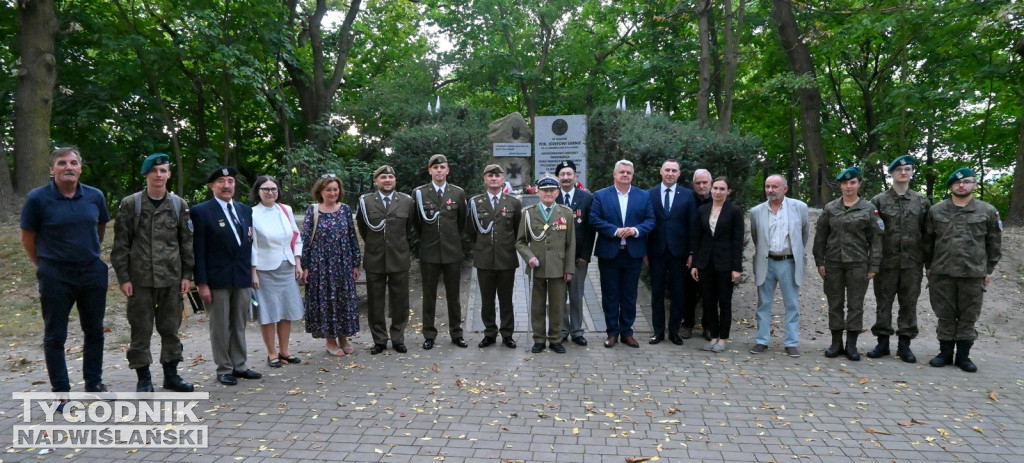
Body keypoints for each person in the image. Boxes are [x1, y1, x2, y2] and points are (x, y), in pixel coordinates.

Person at [20, 147, 110, 395]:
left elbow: (100, 228)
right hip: (55, 275)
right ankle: (61, 391)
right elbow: (28, 237)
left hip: (92, 272)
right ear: (52, 169)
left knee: (94, 330)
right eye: (62, 163)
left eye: (73, 163)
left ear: (80, 168)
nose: (68, 167)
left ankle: (94, 383)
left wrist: (90, 254)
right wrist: (45, 265)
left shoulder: (95, 196)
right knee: (55, 335)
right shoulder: (37, 199)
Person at [111, 153, 195, 392]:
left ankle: (171, 376)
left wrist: (187, 275)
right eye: (154, 170)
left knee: (171, 330)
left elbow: (186, 243)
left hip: (171, 280)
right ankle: (143, 378)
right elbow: (121, 246)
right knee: (141, 331)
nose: (159, 175)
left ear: (169, 174)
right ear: (146, 174)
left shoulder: (179, 205)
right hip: (140, 282)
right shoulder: (131, 204)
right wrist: (124, 278)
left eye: (164, 170)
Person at [923, 167, 1002, 372]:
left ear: (974, 184)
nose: (961, 185)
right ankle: (945, 353)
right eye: (957, 182)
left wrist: (989, 269)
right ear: (951, 186)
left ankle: (964, 356)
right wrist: (929, 266)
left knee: (969, 316)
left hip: (973, 273)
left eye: (966, 181)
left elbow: (994, 243)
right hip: (942, 272)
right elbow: (927, 242)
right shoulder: (937, 210)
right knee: (945, 314)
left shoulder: (987, 211)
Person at [191, 166, 262, 386]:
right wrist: (202, 283)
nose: (226, 185)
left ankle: (240, 365)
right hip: (216, 279)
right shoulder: (201, 211)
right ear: (212, 186)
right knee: (220, 325)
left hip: (241, 277)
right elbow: (198, 250)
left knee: (239, 323)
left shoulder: (244, 210)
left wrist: (252, 272)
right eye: (221, 181)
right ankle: (224, 368)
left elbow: (248, 244)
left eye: (230, 180)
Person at [812, 166, 882, 361]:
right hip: (833, 263)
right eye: (845, 183)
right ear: (840, 185)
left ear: (859, 184)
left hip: (858, 264)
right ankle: (836, 343)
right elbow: (821, 237)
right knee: (834, 303)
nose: (848, 186)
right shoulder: (830, 208)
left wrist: (874, 266)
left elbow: (876, 240)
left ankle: (851, 345)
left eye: (852, 182)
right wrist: (820, 261)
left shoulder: (868, 209)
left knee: (855, 304)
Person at [866, 155, 930, 363]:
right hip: (887, 263)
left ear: (912, 172)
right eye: (899, 169)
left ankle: (905, 344)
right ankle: (882, 343)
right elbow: (874, 234)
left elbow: (928, 235)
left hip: (912, 263)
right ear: (891, 173)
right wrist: (874, 261)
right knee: (883, 303)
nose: (903, 172)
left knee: (909, 303)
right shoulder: (879, 201)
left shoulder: (921, 202)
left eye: (908, 169)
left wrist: (928, 263)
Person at [589, 160, 656, 348]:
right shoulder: (601, 195)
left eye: (628, 172)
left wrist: (635, 230)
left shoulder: (643, 196)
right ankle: (612, 333)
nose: (625, 175)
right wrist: (615, 231)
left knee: (629, 295)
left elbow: (651, 220)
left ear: (632, 175)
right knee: (610, 295)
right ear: (614, 174)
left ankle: (627, 331)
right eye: (622, 172)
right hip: (610, 253)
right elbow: (594, 219)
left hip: (633, 254)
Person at [356, 165, 415, 355]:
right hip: (375, 258)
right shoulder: (366, 202)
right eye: (383, 177)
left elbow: (408, 228)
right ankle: (379, 339)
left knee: (400, 301)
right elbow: (364, 229)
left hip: (399, 257)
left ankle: (398, 338)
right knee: (376, 302)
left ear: (395, 180)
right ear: (376, 181)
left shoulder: (406, 201)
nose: (387, 180)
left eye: (391, 176)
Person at [748, 174, 810, 358]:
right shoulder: (757, 211)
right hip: (766, 261)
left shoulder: (799, 208)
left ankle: (791, 343)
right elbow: (756, 237)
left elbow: (803, 234)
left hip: (789, 262)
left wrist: (794, 252)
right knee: (763, 304)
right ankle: (761, 341)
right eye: (767, 186)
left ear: (785, 188)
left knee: (792, 305)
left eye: (775, 186)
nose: (770, 190)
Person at [301, 174, 361, 356]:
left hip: (343, 264)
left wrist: (355, 263)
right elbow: (305, 240)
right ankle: (330, 341)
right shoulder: (313, 211)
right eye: (328, 189)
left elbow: (352, 237)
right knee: (326, 302)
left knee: (343, 301)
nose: (333, 192)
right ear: (320, 191)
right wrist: (305, 266)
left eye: (336, 189)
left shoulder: (345, 209)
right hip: (321, 266)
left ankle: (343, 339)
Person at [413, 154, 469, 350]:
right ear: (429, 171)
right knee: (429, 295)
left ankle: (456, 333)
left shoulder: (458, 193)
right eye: (435, 167)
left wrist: (451, 239)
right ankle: (429, 334)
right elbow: (417, 223)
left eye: (442, 167)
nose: (439, 170)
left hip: (452, 252)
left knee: (454, 296)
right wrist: (428, 241)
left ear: (447, 170)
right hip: (429, 252)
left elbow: (461, 222)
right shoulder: (419, 193)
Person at [517, 174, 576, 354]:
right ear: (538, 192)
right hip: (537, 267)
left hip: (558, 267)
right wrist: (529, 257)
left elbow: (570, 244)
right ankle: (539, 339)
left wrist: (569, 269)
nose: (548, 194)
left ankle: (556, 339)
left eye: (552, 190)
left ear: (557, 192)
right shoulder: (529, 213)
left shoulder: (565, 213)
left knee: (558, 305)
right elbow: (520, 241)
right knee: (537, 306)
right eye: (544, 191)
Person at [250, 175, 304, 367]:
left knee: (286, 311)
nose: (270, 192)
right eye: (266, 189)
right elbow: (252, 246)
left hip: (287, 266)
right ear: (258, 191)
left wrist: (297, 263)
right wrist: (253, 271)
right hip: (264, 269)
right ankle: (272, 353)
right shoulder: (252, 214)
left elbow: (296, 238)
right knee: (268, 312)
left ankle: (284, 351)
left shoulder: (285, 209)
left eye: (273, 189)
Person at [470, 164, 522, 349]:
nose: (494, 178)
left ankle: (507, 334)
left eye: (497, 175)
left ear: (503, 179)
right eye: (490, 175)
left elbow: (518, 231)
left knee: (506, 299)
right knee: (487, 299)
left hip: (506, 259)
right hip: (484, 259)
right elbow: (471, 231)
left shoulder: (513, 203)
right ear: (484, 179)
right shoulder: (475, 203)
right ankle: (489, 333)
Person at [646, 160, 697, 345]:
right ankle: (658, 331)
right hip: (656, 251)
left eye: (673, 170)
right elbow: (646, 225)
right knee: (657, 293)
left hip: (680, 253)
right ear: (661, 172)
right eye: (667, 170)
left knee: (678, 293)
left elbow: (692, 225)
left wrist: (692, 252)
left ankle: (674, 331)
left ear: (679, 174)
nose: (670, 173)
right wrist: (644, 252)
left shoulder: (688, 195)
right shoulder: (649, 194)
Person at [690, 177, 744, 353]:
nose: (717, 192)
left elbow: (737, 241)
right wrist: (696, 264)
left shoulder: (735, 211)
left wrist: (737, 268)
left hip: (726, 264)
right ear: (711, 189)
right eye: (715, 188)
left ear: (728, 191)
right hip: (706, 263)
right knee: (708, 301)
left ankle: (722, 338)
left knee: (724, 301)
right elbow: (698, 239)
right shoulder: (703, 210)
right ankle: (713, 335)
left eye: (722, 189)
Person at [555, 160, 595, 347]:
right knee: (559, 295)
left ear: (575, 176)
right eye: (562, 174)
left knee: (576, 295)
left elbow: (589, 229)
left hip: (579, 258)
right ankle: (562, 330)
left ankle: (577, 331)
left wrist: (585, 256)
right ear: (558, 177)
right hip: (557, 258)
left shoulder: (586, 198)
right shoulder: (552, 197)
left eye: (569, 174)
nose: (566, 178)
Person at [684, 169, 713, 340]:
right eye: (698, 183)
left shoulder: (718, 200)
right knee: (688, 291)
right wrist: (690, 253)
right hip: (690, 253)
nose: (701, 186)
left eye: (705, 183)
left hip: (711, 255)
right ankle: (687, 324)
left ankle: (708, 326)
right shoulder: (687, 200)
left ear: (711, 183)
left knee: (709, 292)